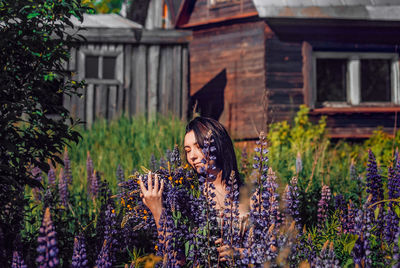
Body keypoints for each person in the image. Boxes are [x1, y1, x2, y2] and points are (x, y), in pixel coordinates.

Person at [139, 116, 248, 261]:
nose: (192, 156)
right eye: (188, 150)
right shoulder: (187, 195)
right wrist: (158, 211)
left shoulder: (251, 191)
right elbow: (176, 258)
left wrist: (240, 254)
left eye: (198, 146)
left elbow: (274, 248)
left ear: (218, 145)